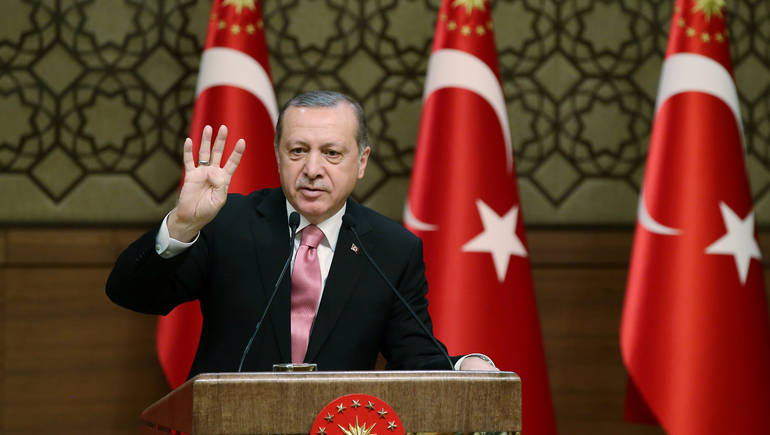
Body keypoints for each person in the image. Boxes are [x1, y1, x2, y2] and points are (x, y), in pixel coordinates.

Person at [106, 90, 495, 377]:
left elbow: (413, 356)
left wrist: (463, 367)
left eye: (331, 153)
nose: (312, 168)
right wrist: (183, 225)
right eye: (297, 151)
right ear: (277, 155)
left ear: (361, 162)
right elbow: (132, 293)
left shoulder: (392, 249)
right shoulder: (226, 223)